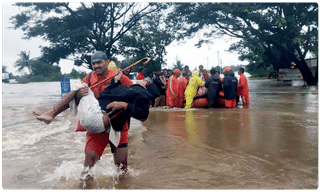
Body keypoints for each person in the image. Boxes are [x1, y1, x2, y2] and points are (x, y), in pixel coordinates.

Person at [35, 51, 137, 180]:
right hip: (96, 124)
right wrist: (78, 95)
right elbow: (75, 102)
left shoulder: (120, 76)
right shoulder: (88, 78)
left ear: (107, 62)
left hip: (118, 124)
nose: (96, 66)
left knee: (122, 167)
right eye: (93, 63)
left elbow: (135, 96)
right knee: (89, 161)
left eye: (99, 62)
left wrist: (122, 103)